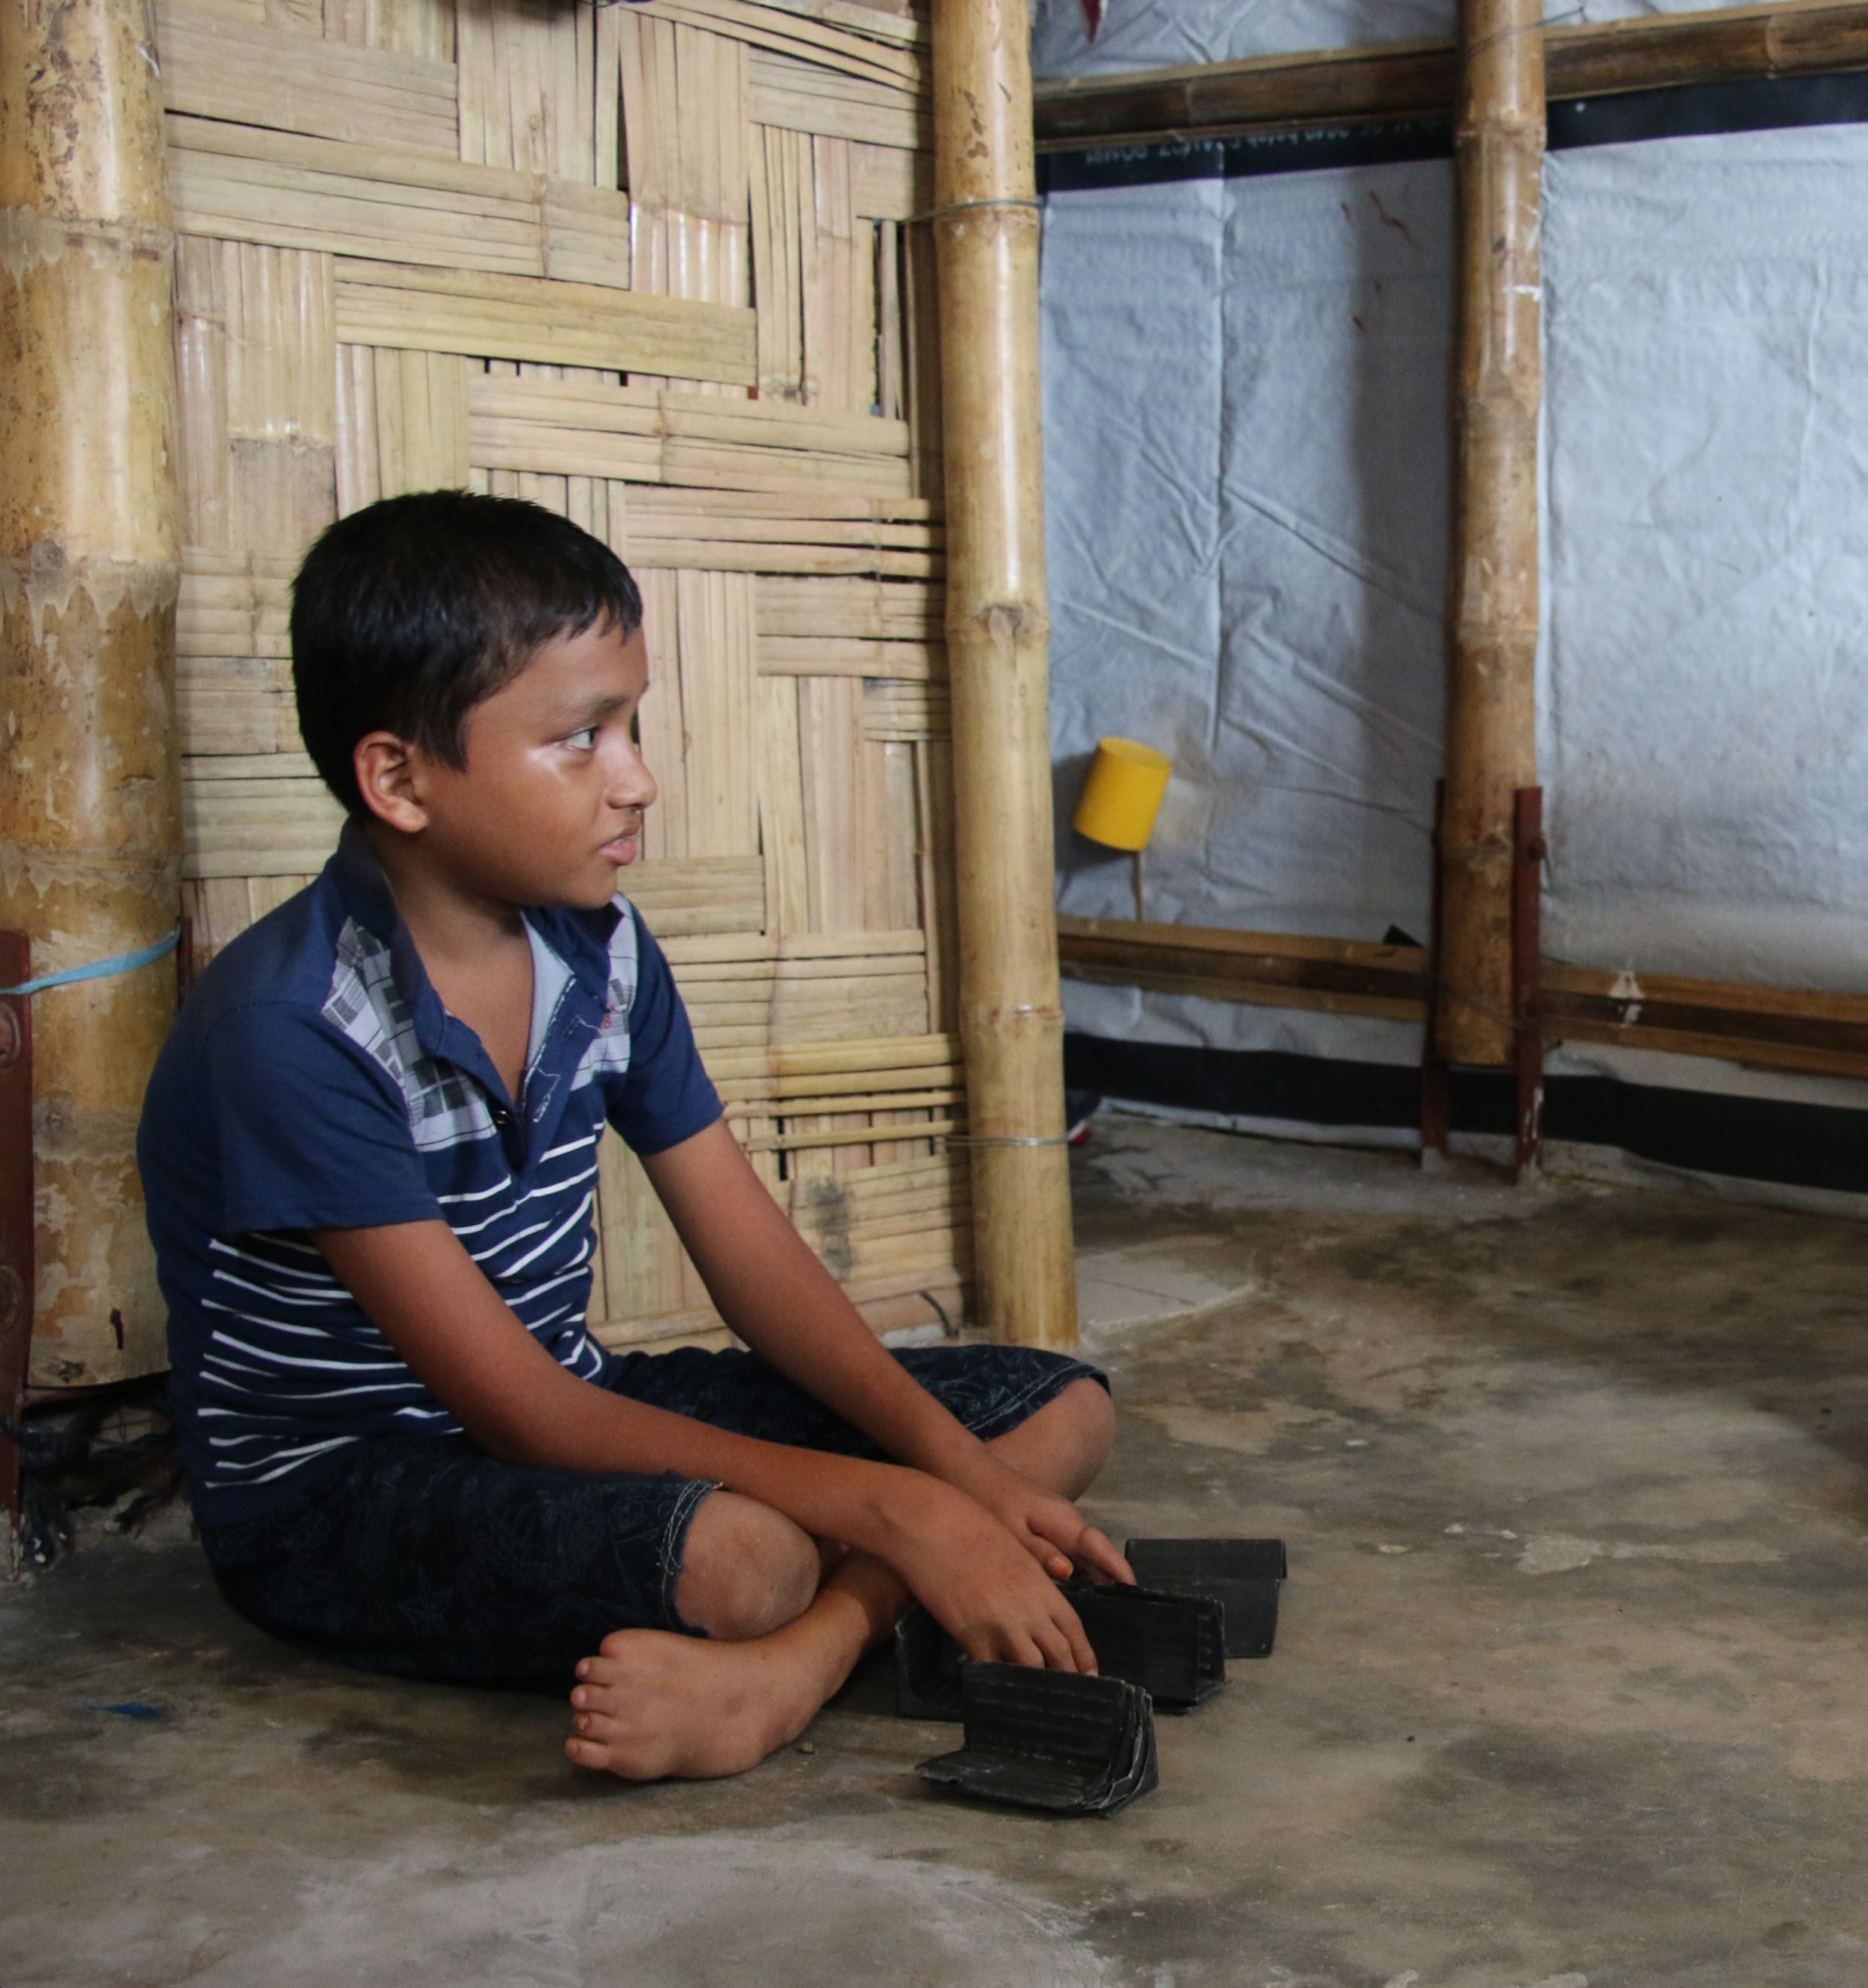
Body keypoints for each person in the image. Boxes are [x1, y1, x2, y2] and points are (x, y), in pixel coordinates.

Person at [138, 490, 1127, 1778]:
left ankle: (802, 1664)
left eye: (633, 722)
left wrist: (950, 1473)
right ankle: (827, 1602)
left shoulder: (598, 952)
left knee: (1057, 1412)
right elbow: (517, 1412)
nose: (639, 778)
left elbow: (748, 1256)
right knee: (741, 1555)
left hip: (578, 1403)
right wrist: (902, 1504)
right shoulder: (296, 1026)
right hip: (347, 1490)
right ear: (399, 777)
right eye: (580, 738)